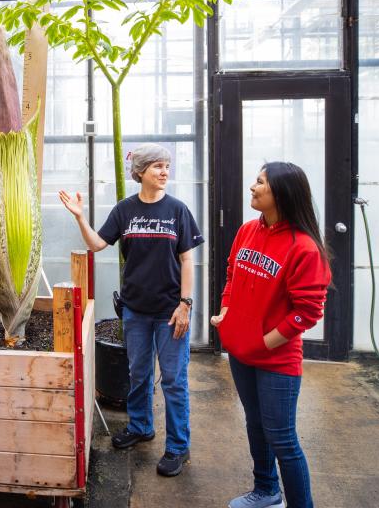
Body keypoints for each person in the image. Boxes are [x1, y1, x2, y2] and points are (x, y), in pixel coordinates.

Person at [59, 143, 203, 477]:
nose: (165, 172)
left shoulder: (177, 210)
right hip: (135, 310)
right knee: (138, 374)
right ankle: (141, 426)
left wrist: (186, 304)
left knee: (173, 380)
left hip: (171, 311)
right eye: (157, 166)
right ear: (140, 172)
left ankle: (178, 447)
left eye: (167, 166)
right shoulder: (125, 210)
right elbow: (97, 245)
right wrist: (81, 218)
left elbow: (186, 260)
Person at [212, 162, 331, 508]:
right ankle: (266, 491)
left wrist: (264, 343)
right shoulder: (248, 231)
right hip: (240, 352)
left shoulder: (304, 247)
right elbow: (233, 273)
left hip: (276, 361)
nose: (253, 187)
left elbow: (307, 312)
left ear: (281, 192)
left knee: (282, 438)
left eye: (260, 182)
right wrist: (227, 310)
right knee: (256, 425)